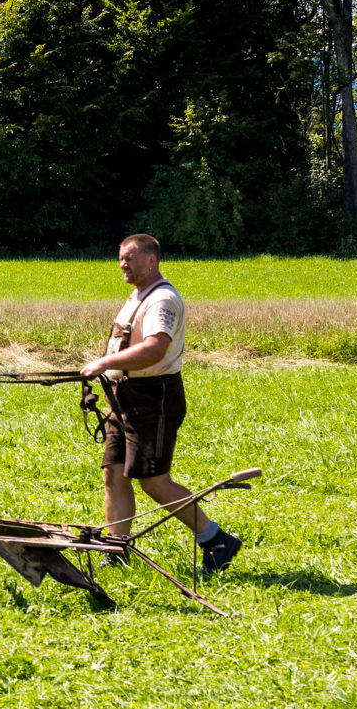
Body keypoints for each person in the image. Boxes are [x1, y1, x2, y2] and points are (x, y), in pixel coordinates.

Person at [79, 233, 242, 572]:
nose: (123, 264)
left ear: (151, 260)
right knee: (113, 474)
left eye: (129, 258)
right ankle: (117, 549)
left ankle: (216, 540)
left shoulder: (162, 299)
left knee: (154, 481)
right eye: (121, 258)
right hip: (123, 397)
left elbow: (155, 348)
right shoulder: (137, 296)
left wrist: (105, 363)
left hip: (153, 398)